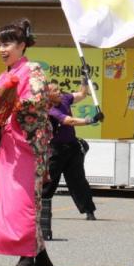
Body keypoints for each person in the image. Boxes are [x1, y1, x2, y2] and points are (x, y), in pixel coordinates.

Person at [0, 19, 57, 266]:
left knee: (23, 202)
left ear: (22, 45)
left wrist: (13, 102)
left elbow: (39, 99)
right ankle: (42, 261)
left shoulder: (32, 69)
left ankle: (27, 261)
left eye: (7, 43)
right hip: (10, 145)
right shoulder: (5, 75)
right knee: (15, 200)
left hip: (26, 146)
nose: (1, 49)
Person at [40, 82, 100, 239]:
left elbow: (82, 94)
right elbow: (69, 121)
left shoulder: (65, 99)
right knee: (49, 182)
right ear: (48, 95)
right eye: (55, 91)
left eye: (58, 89)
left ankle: (89, 210)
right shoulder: (50, 109)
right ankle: (41, 210)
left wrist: (84, 80)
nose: (59, 92)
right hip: (55, 150)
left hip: (72, 147)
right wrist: (91, 120)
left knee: (78, 180)